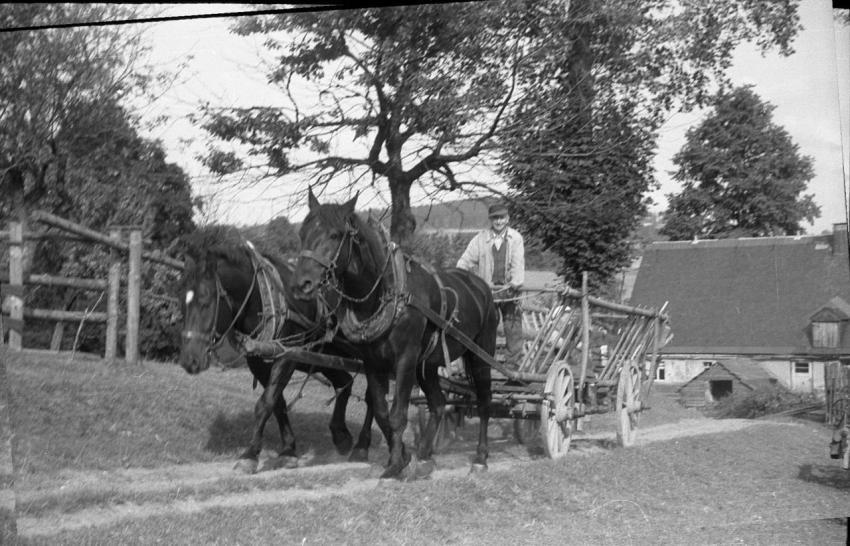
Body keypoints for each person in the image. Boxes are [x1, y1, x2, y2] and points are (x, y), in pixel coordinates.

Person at [456, 202, 525, 367]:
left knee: (513, 327)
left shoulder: (515, 238)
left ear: (507, 219)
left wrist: (515, 282)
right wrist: (460, 278)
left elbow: (518, 263)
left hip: (510, 291)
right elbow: (464, 262)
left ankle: (513, 365)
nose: (499, 221)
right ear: (490, 220)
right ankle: (485, 363)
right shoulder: (480, 239)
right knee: (486, 328)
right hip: (488, 292)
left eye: (502, 218)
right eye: (495, 218)